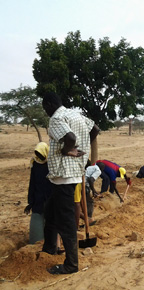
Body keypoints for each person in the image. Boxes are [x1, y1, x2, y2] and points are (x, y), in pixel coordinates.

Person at [42, 91, 100, 275]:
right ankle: (49, 248)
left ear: (50, 104)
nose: (46, 113)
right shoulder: (75, 114)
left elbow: (70, 138)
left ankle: (71, 265)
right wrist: (82, 150)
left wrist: (69, 150)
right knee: (51, 212)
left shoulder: (57, 118)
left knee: (65, 221)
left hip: (64, 175)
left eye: (45, 109)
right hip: (71, 173)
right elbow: (95, 129)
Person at [24, 142, 52, 244]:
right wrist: (30, 202)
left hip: (49, 198)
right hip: (38, 199)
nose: (38, 156)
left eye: (40, 153)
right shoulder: (35, 164)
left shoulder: (51, 164)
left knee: (50, 224)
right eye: (37, 153)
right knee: (36, 235)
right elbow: (32, 183)